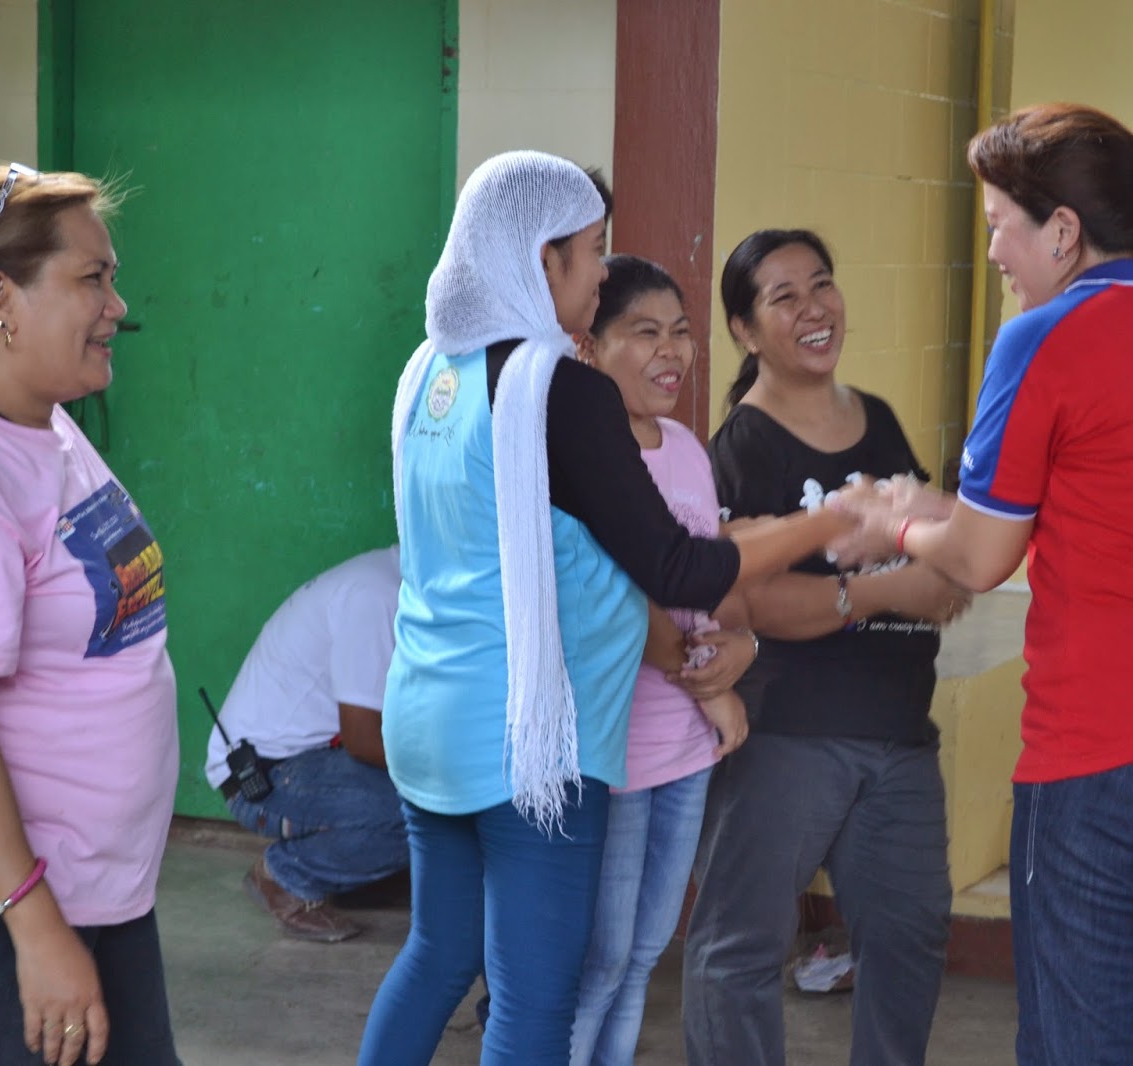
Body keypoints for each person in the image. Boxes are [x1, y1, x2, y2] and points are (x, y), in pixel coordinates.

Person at [356, 152, 848, 1066]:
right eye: (591, 253)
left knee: (437, 955)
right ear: (543, 261)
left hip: (426, 712)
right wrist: (832, 518)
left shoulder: (429, 369)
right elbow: (679, 567)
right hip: (526, 739)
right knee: (536, 1005)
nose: (596, 276)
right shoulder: (559, 390)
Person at [827, 104, 1133, 1065]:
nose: (993, 250)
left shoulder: (1046, 334)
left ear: (1063, 231)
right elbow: (1102, 517)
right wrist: (940, 508)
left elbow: (987, 561)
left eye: (998, 224)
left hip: (1108, 753)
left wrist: (892, 524)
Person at [0, 164, 179, 1066]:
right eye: (92, 279)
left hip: (97, 891)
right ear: (1, 297)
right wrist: (35, 924)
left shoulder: (46, 429)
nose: (117, 305)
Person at [681, 227, 972, 1066]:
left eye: (823, 285)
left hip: (898, 728)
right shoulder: (741, 448)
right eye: (784, 297)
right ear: (744, 329)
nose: (814, 310)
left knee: (911, 937)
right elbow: (754, 601)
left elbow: (935, 543)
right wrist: (883, 590)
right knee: (739, 947)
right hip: (789, 732)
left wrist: (940, 569)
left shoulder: (873, 417)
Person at [567, 255, 756, 1066]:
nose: (670, 352)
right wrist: (706, 686)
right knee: (602, 958)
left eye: (680, 332)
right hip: (616, 747)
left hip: (685, 747)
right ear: (590, 349)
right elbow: (620, 588)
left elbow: (713, 568)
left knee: (647, 952)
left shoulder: (684, 446)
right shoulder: (589, 453)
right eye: (643, 333)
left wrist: (740, 646)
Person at [204, 544, 406, 943]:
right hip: (264, 778)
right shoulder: (377, 595)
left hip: (306, 763)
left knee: (432, 796)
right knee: (425, 806)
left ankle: (354, 868)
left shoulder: (391, 581)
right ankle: (287, 874)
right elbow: (363, 739)